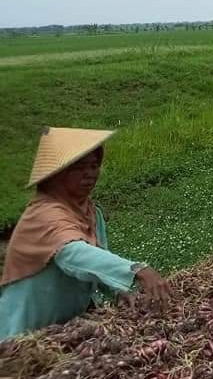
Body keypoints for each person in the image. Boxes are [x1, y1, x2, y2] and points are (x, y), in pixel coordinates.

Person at [0, 127, 170, 340]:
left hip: (59, 334)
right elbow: (73, 254)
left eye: (94, 165)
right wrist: (135, 270)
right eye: (79, 167)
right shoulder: (43, 214)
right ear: (57, 174)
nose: (90, 173)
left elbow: (98, 254)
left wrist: (117, 289)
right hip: (20, 337)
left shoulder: (89, 211)